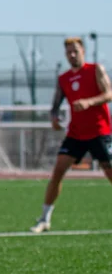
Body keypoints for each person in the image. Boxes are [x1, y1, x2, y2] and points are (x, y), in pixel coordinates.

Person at [31, 37, 112, 233]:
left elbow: (109, 94)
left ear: (83, 50)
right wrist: (54, 118)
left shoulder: (95, 70)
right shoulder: (64, 78)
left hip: (99, 132)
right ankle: (44, 218)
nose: (72, 55)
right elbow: (55, 105)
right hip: (76, 134)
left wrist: (89, 102)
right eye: (68, 52)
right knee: (58, 172)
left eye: (75, 51)